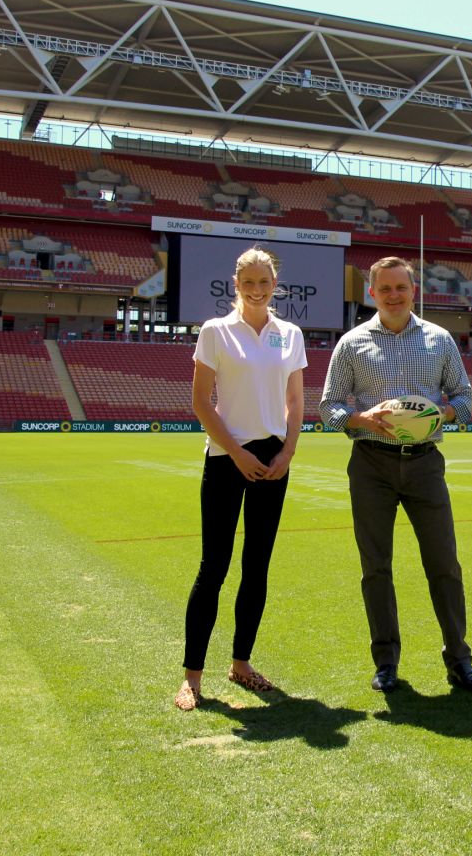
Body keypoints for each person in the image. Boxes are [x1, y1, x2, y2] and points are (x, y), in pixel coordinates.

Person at [318, 256, 472, 694]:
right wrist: (361, 418)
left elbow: (465, 398)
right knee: (376, 567)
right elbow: (329, 407)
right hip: (371, 463)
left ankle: (459, 659)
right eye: (385, 288)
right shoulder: (352, 344)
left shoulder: (439, 339)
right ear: (371, 293)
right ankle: (386, 662)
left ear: (414, 291)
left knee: (444, 563)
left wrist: (440, 414)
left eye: (402, 288)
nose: (394, 295)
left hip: (425, 462)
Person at [175, 246, 306, 711]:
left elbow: (295, 401)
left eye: (263, 283)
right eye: (247, 283)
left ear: (274, 285)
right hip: (226, 456)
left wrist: (289, 450)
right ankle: (192, 675)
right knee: (214, 566)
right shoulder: (215, 331)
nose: (255, 290)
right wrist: (234, 452)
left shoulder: (289, 333)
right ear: (236, 284)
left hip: (274, 459)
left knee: (257, 565)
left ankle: (242, 663)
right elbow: (201, 402)